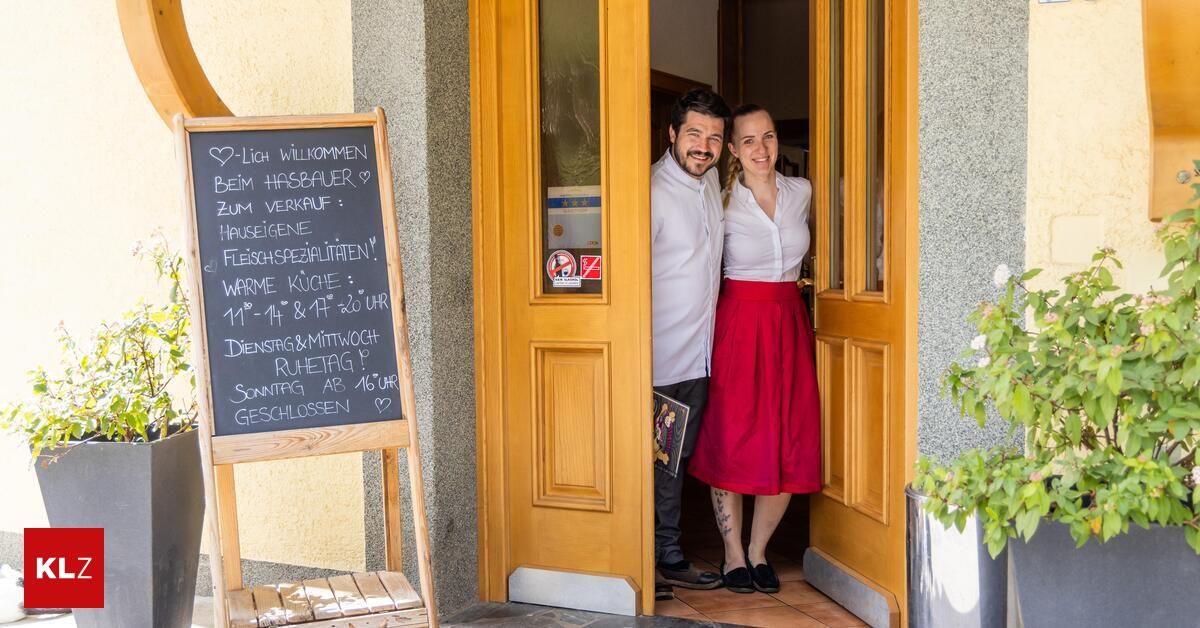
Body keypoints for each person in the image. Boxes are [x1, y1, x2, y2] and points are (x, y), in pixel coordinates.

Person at [688, 104, 822, 594]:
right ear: (732, 150)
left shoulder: (802, 192)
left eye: (767, 137)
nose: (761, 149)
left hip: (789, 321)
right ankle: (732, 555)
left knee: (790, 435)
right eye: (748, 140)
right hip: (739, 323)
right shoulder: (716, 199)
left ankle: (760, 551)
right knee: (734, 434)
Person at [650, 88, 731, 596]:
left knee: (673, 461)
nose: (704, 146)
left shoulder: (712, 182)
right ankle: (651, 558)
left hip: (699, 352)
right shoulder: (651, 191)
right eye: (695, 134)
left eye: (715, 137)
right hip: (659, 355)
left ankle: (667, 552)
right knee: (653, 460)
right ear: (673, 134)